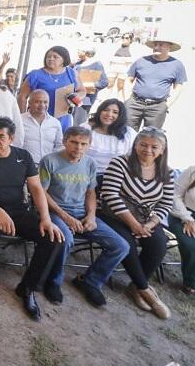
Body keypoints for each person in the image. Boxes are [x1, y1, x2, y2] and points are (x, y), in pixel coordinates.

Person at [0, 117, 65, 321]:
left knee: (51, 238)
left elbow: (36, 189)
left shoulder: (23, 156)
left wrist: (46, 218)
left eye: (0, 136)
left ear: (11, 138)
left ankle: (28, 288)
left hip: (18, 209)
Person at [39, 127, 129, 307]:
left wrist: (92, 216)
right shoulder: (49, 161)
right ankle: (53, 281)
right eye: (73, 142)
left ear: (89, 146)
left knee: (121, 246)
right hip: (55, 212)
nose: (78, 147)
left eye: (83, 144)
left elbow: (90, 193)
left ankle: (90, 281)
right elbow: (41, 193)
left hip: (82, 213)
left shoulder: (90, 163)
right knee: (64, 240)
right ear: (65, 141)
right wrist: (65, 217)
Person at [99, 127, 174, 319]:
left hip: (146, 219)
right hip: (115, 215)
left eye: (154, 147)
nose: (148, 150)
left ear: (162, 149)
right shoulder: (120, 163)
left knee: (158, 245)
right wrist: (133, 224)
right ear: (135, 145)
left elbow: (166, 203)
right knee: (127, 245)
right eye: (143, 145)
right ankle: (145, 290)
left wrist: (150, 224)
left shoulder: (167, 172)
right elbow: (110, 194)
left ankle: (135, 286)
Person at [125, 33, 187, 131]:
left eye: (161, 45)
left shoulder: (177, 65)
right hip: (134, 104)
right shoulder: (141, 61)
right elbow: (129, 80)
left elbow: (178, 87)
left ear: (169, 47)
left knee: (150, 137)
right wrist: (127, 100)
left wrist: (166, 106)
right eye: (155, 45)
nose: (157, 47)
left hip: (157, 107)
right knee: (127, 134)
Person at [18, 46, 85, 132]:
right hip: (40, 118)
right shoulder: (35, 75)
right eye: (48, 56)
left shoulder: (71, 73)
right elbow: (22, 97)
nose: (50, 59)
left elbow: (82, 91)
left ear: (64, 59)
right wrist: (23, 119)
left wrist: (76, 96)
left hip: (63, 119)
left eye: (55, 57)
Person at [169, 164, 195, 294]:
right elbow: (175, 195)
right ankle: (191, 282)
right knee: (192, 245)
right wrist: (187, 219)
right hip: (182, 213)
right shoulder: (194, 171)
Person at [86, 99, 137, 183]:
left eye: (115, 112)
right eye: (105, 110)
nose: (109, 114)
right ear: (100, 111)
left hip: (115, 176)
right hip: (86, 174)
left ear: (120, 115)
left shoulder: (129, 134)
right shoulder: (86, 128)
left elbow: (134, 158)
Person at [21, 89, 64, 166]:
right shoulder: (20, 121)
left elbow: (59, 145)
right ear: (29, 103)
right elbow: (16, 144)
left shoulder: (55, 123)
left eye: (45, 102)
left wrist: (53, 161)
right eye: (37, 102)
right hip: (25, 166)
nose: (42, 105)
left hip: (48, 166)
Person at [74, 46, 108, 112]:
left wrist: (87, 84)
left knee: (81, 116)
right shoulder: (78, 63)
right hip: (75, 94)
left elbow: (104, 82)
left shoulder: (96, 64)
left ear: (86, 53)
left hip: (87, 97)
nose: (77, 52)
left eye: (79, 50)